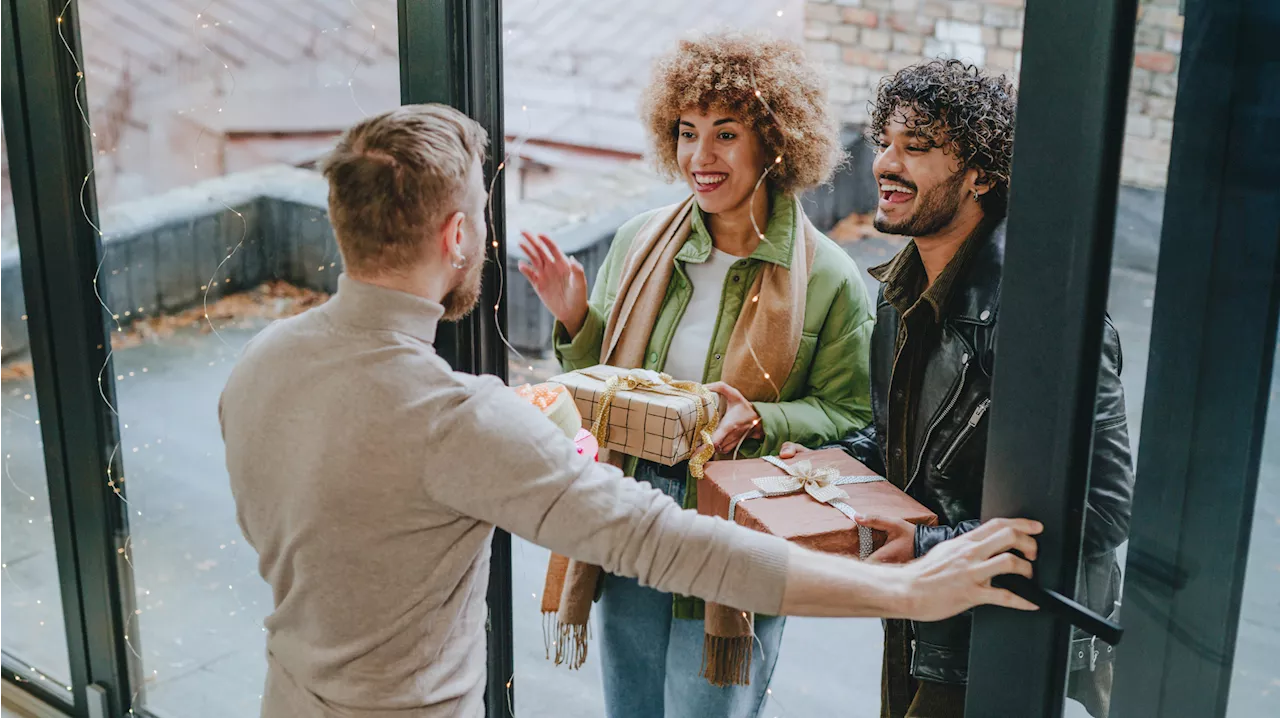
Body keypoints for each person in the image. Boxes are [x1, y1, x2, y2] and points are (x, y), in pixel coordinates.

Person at [218, 102, 1043, 718]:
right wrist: (907, 593)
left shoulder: (260, 363)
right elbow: (669, 544)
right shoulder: (459, 421)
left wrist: (568, 443)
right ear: (457, 238)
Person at [518, 32, 871, 718]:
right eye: (686, 132)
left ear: (774, 141)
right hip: (632, 516)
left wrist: (764, 418)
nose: (699, 158)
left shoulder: (829, 278)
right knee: (632, 706)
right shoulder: (640, 240)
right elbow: (610, 392)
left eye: (726, 134)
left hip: (737, 526)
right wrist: (575, 322)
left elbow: (851, 416)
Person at [783, 60, 1134, 718]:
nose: (885, 163)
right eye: (884, 141)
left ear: (983, 173)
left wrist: (930, 545)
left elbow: (1105, 508)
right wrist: (831, 464)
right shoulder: (898, 288)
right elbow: (906, 440)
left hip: (1009, 639)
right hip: (926, 618)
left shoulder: (1043, 319)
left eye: (916, 148)